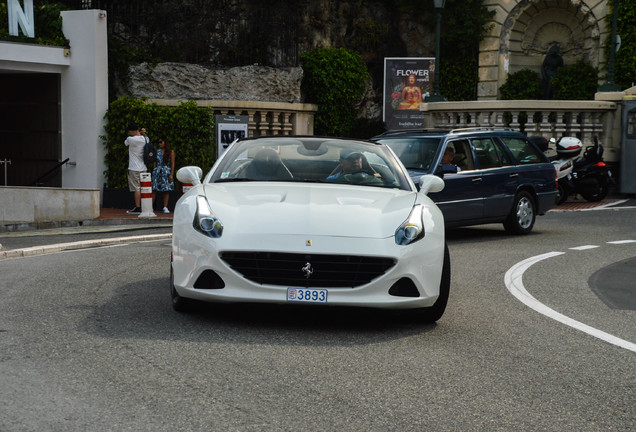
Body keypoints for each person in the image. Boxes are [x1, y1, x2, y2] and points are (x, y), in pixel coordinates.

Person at [124, 123, 148, 214]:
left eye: (130, 131)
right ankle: (146, 206)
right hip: (143, 167)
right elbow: (146, 139)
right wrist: (143, 133)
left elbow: (125, 143)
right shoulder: (145, 139)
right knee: (144, 188)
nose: (129, 132)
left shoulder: (130, 139)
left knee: (136, 188)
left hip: (134, 168)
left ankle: (138, 207)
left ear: (132, 131)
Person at [151, 137, 175, 213]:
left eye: (161, 142)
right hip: (157, 171)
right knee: (154, 189)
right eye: (159, 142)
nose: (160, 144)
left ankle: (165, 207)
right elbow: (155, 162)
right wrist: (154, 171)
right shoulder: (157, 151)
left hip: (166, 172)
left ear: (165, 142)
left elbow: (173, 164)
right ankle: (150, 206)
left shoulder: (171, 152)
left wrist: (171, 174)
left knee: (166, 190)